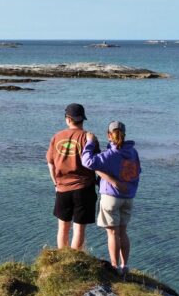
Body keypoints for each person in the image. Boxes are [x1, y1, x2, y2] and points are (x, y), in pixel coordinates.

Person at [82, 121, 141, 276]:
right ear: (124, 134)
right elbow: (137, 171)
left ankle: (115, 267)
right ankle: (125, 266)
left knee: (113, 234)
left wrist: (89, 142)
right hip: (128, 197)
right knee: (123, 232)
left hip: (111, 197)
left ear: (109, 135)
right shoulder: (133, 152)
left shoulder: (110, 154)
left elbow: (87, 161)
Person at [46, 103, 96, 250]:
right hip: (84, 188)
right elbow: (96, 163)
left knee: (62, 227)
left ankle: (63, 259)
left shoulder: (57, 137)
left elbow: (50, 163)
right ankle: (73, 259)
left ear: (67, 119)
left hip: (62, 188)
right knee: (79, 229)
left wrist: (56, 183)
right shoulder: (88, 137)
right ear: (82, 119)